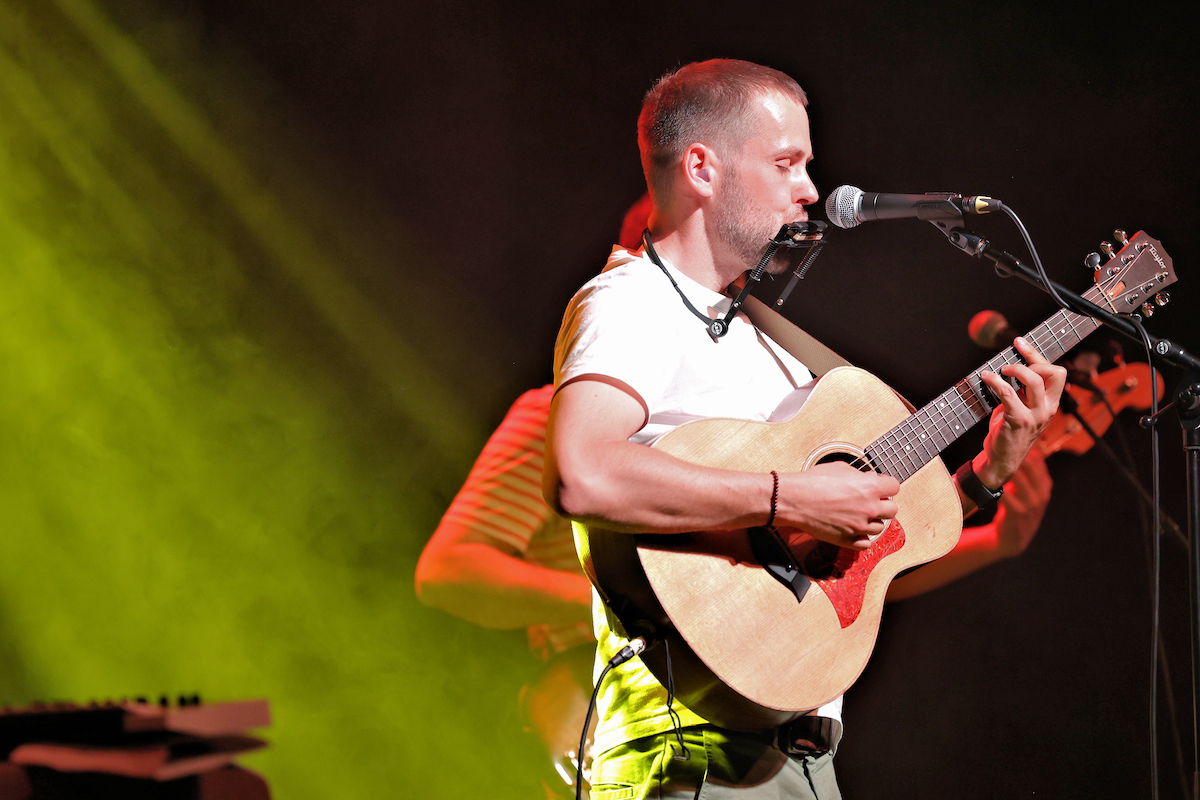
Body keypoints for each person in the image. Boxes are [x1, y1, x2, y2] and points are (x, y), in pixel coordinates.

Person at [543, 59, 1066, 799]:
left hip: (797, 754)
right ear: (702, 168)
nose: (812, 191)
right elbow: (583, 474)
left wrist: (985, 474)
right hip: (692, 751)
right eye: (787, 162)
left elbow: (851, 566)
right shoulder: (631, 304)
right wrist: (789, 496)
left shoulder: (763, 343)